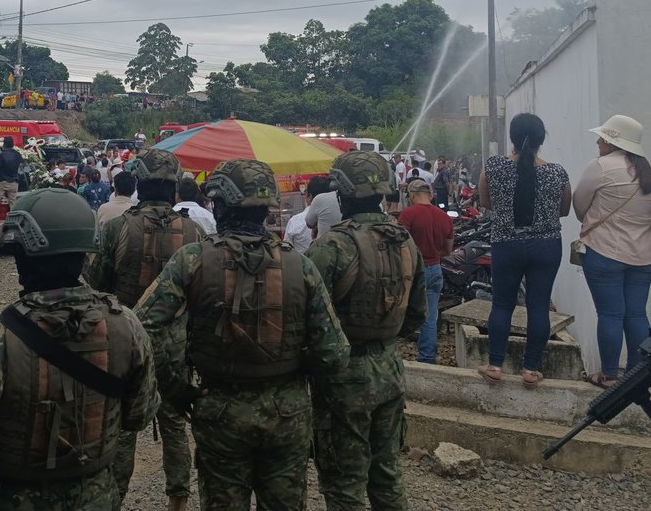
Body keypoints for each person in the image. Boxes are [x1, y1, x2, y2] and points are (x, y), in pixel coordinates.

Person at [0, 187, 158, 510]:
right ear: (85, 254)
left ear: (22, 256)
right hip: (96, 496)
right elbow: (139, 415)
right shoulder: (127, 328)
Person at [136, 159, 350, 510]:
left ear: (218, 205)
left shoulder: (192, 260)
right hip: (287, 415)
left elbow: (142, 329)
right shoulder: (301, 265)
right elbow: (336, 354)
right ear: (267, 209)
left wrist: (177, 389)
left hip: (219, 411)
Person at [305, 150, 425, 510]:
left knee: (344, 482)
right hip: (390, 368)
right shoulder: (405, 242)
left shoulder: (330, 246)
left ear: (341, 195)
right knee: (386, 473)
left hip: (341, 376)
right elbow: (418, 314)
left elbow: (308, 318)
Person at [84, 149, 201, 510]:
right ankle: (178, 499)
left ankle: (115, 497)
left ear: (139, 182)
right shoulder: (194, 230)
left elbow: (95, 280)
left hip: (124, 340)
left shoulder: (118, 228)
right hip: (177, 344)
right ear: (174, 188)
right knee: (174, 423)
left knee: (121, 426)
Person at [476, 112, 571, 387]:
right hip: (547, 246)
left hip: (506, 244)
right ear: (542, 140)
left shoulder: (493, 166)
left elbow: (486, 201)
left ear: (512, 138)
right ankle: (530, 370)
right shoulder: (557, 172)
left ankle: (495, 365)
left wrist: (508, 213)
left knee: (502, 305)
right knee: (539, 307)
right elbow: (563, 210)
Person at [572, 115, 651, 386]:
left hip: (604, 251)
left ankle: (609, 375)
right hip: (645, 256)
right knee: (636, 314)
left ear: (613, 141)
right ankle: (636, 374)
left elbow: (579, 206)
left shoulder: (600, 166)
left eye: (603, 137)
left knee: (610, 314)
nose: (599, 142)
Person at [398, 178, 454, 364]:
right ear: (430, 195)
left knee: (400, 312)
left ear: (412, 195)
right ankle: (427, 357)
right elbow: (448, 250)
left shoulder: (407, 215)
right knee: (430, 317)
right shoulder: (444, 216)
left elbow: (400, 246)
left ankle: (393, 356)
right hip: (435, 269)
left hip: (413, 270)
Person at [0, 136, 22, 217]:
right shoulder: (18, 155)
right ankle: (13, 223)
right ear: (13, 144)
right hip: (14, 182)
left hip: (1, 182)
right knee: (13, 204)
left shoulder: (1, 155)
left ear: (4, 144)